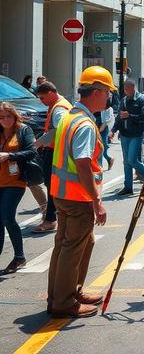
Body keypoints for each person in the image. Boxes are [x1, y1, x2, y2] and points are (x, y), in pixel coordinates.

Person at [47, 66, 111, 317]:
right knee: (72, 248)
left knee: (69, 245)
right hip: (77, 197)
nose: (108, 97)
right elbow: (83, 163)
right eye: (107, 92)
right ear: (96, 92)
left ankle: (68, 292)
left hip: (62, 194)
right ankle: (63, 302)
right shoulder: (84, 124)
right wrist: (96, 201)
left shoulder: (70, 116)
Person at [0, 102, 36, 274]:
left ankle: (19, 256)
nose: (5, 120)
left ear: (14, 116)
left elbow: (32, 152)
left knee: (7, 218)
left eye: (8, 116)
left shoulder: (23, 130)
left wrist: (9, 155)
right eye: (1, 117)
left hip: (16, 181)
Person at [33, 82, 72, 233]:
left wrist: (37, 143)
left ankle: (50, 220)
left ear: (51, 94)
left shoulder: (59, 109)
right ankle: (53, 217)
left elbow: (57, 131)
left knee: (52, 186)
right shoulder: (62, 104)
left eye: (42, 98)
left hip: (55, 151)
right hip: (57, 151)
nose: (41, 101)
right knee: (53, 186)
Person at [111, 79, 144, 197]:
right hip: (124, 134)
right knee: (126, 162)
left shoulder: (142, 100)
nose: (125, 92)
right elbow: (119, 118)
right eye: (124, 90)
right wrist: (113, 131)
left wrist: (130, 116)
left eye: (127, 90)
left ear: (133, 88)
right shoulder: (123, 101)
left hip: (136, 135)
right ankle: (128, 187)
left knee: (132, 160)